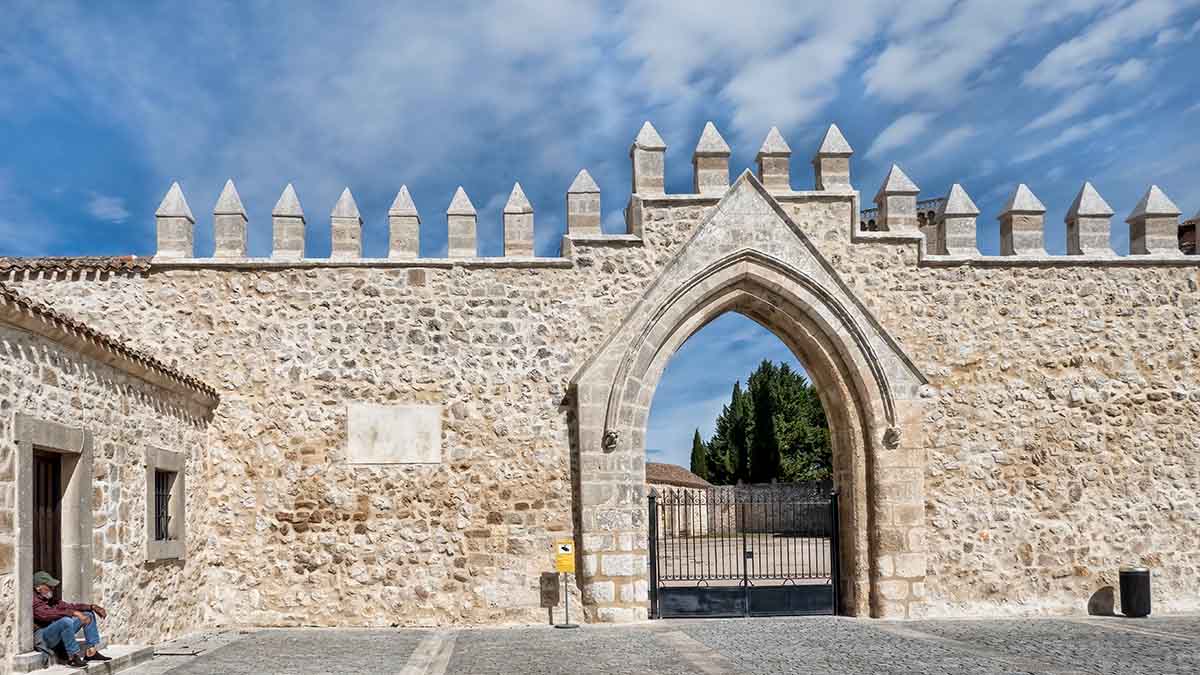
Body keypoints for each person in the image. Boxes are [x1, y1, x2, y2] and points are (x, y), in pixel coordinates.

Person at [32, 571, 111, 667]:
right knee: (66, 621)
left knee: (88, 615)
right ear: (38, 588)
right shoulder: (33, 600)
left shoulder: (51, 600)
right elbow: (46, 615)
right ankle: (72, 657)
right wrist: (73, 613)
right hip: (45, 637)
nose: (52, 588)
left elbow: (70, 606)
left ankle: (91, 653)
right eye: (49, 586)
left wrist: (92, 607)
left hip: (58, 633)